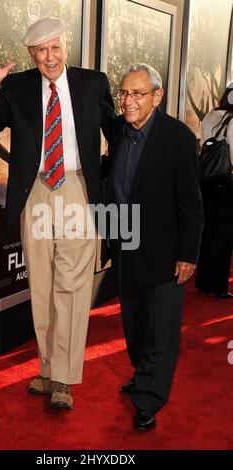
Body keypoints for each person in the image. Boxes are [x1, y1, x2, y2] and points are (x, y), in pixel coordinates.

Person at [0, 17, 115, 410]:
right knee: (43, 286)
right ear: (31, 55)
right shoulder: (16, 88)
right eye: (41, 51)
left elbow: (116, 134)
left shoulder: (92, 83)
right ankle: (48, 369)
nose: (50, 57)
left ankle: (65, 380)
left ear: (65, 46)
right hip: (34, 192)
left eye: (55, 48)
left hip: (76, 188)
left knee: (71, 284)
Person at [105, 64, 203, 430]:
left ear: (157, 97)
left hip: (165, 250)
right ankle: (143, 374)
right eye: (124, 93)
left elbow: (191, 202)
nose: (128, 101)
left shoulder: (177, 137)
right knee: (134, 323)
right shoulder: (117, 129)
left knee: (161, 329)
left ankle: (149, 399)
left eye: (137, 94)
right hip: (125, 243)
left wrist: (188, 254)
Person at [195, 84, 233, 298]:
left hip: (206, 180)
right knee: (223, 234)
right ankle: (216, 285)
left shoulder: (210, 116)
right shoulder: (232, 120)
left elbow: (204, 142)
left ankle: (203, 280)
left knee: (208, 230)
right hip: (224, 182)